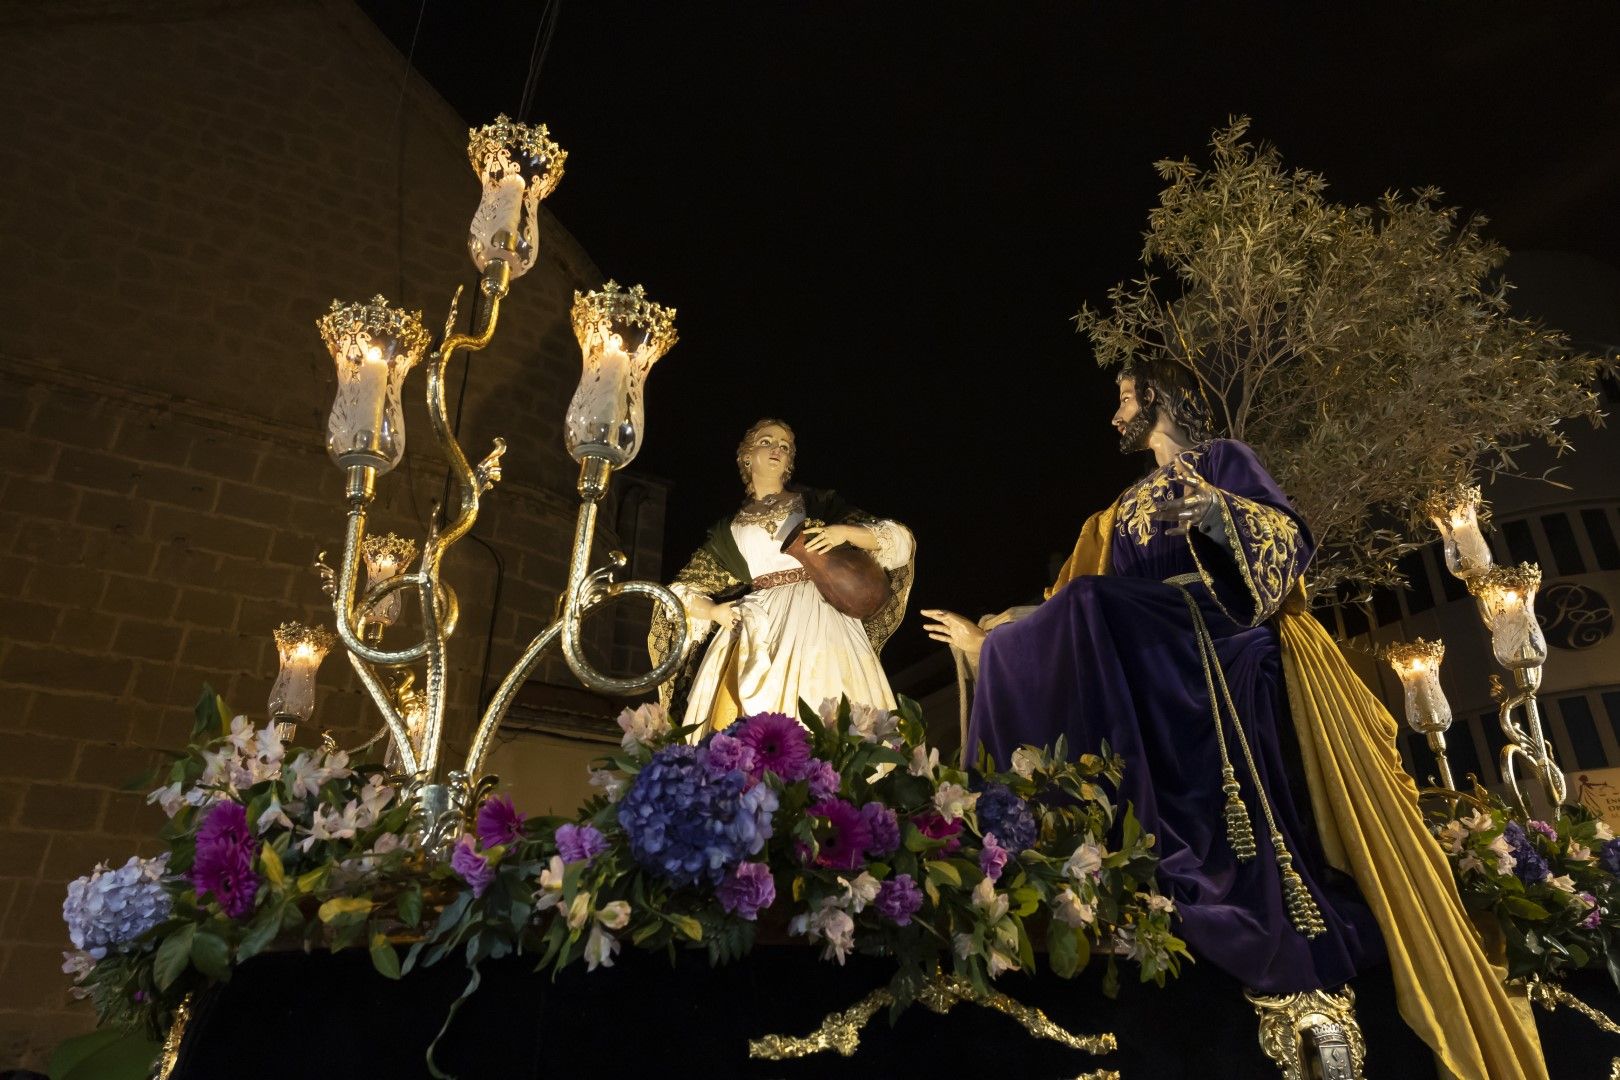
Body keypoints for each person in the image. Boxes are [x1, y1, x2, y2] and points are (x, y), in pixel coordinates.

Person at [922, 358, 1544, 1080]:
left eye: (1125, 398)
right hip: (1151, 639)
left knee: (1086, 611)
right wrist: (990, 638)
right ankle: (1022, 840)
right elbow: (1076, 597)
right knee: (1053, 625)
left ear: (1160, 399)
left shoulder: (1221, 461)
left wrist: (1217, 512)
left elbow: (1284, 543)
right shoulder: (1113, 513)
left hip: (1216, 628)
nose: (1115, 415)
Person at [649, 419, 914, 733]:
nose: (777, 448)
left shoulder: (816, 504)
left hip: (821, 614)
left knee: (827, 709)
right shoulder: (729, 530)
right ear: (746, 457)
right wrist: (713, 611)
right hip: (756, 623)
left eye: (785, 446)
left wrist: (843, 532)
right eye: (766, 441)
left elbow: (896, 541)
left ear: (789, 462)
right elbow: (681, 590)